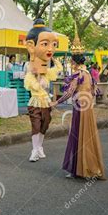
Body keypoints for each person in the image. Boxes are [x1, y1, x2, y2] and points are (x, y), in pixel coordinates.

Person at [51, 32, 105, 179]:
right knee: (87, 136)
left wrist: (56, 102)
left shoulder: (78, 75)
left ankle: (81, 169)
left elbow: (69, 92)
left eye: (71, 62)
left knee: (77, 135)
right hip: (88, 108)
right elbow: (94, 92)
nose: (71, 64)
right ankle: (86, 168)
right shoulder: (89, 74)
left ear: (74, 62)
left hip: (80, 107)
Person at [24, 19, 63, 162]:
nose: (50, 49)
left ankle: (39, 147)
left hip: (45, 102)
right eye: (45, 44)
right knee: (36, 124)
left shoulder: (47, 71)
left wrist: (55, 62)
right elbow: (31, 83)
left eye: (53, 45)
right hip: (35, 101)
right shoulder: (29, 71)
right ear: (31, 46)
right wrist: (37, 79)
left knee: (45, 124)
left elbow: (56, 71)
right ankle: (34, 149)